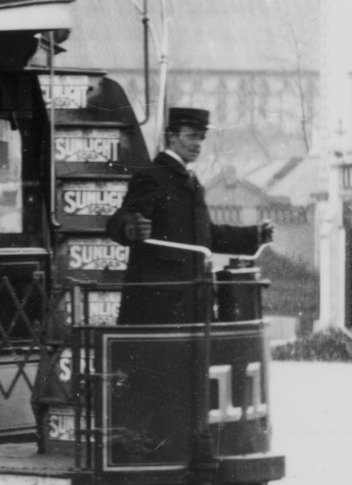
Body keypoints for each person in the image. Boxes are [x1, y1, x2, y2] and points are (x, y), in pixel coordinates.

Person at [107, 107, 274, 324]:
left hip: (192, 305)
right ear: (172, 137)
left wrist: (254, 235)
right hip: (158, 309)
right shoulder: (153, 177)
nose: (198, 144)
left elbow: (205, 236)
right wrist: (129, 228)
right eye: (191, 136)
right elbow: (118, 219)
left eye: (202, 138)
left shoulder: (190, 181)